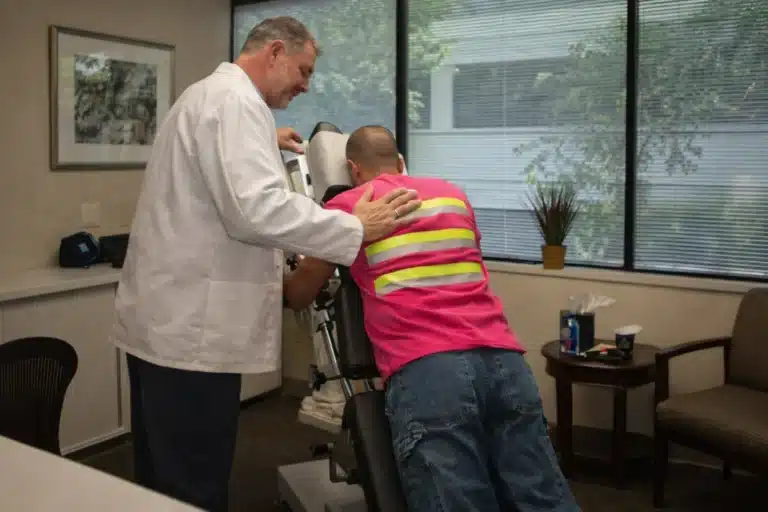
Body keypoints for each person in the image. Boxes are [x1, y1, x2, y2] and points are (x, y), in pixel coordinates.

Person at [110, 18, 420, 512]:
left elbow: (215, 174)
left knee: (159, 481)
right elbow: (256, 210)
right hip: (192, 336)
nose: (306, 85)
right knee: (192, 486)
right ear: (275, 52)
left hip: (165, 327)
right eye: (304, 70)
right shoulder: (235, 104)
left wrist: (264, 141)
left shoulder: (208, 97)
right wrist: (354, 226)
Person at [284, 125, 581, 512]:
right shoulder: (453, 196)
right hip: (505, 363)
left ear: (354, 170)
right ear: (401, 162)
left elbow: (300, 294)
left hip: (429, 373)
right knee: (542, 497)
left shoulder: (350, 208)